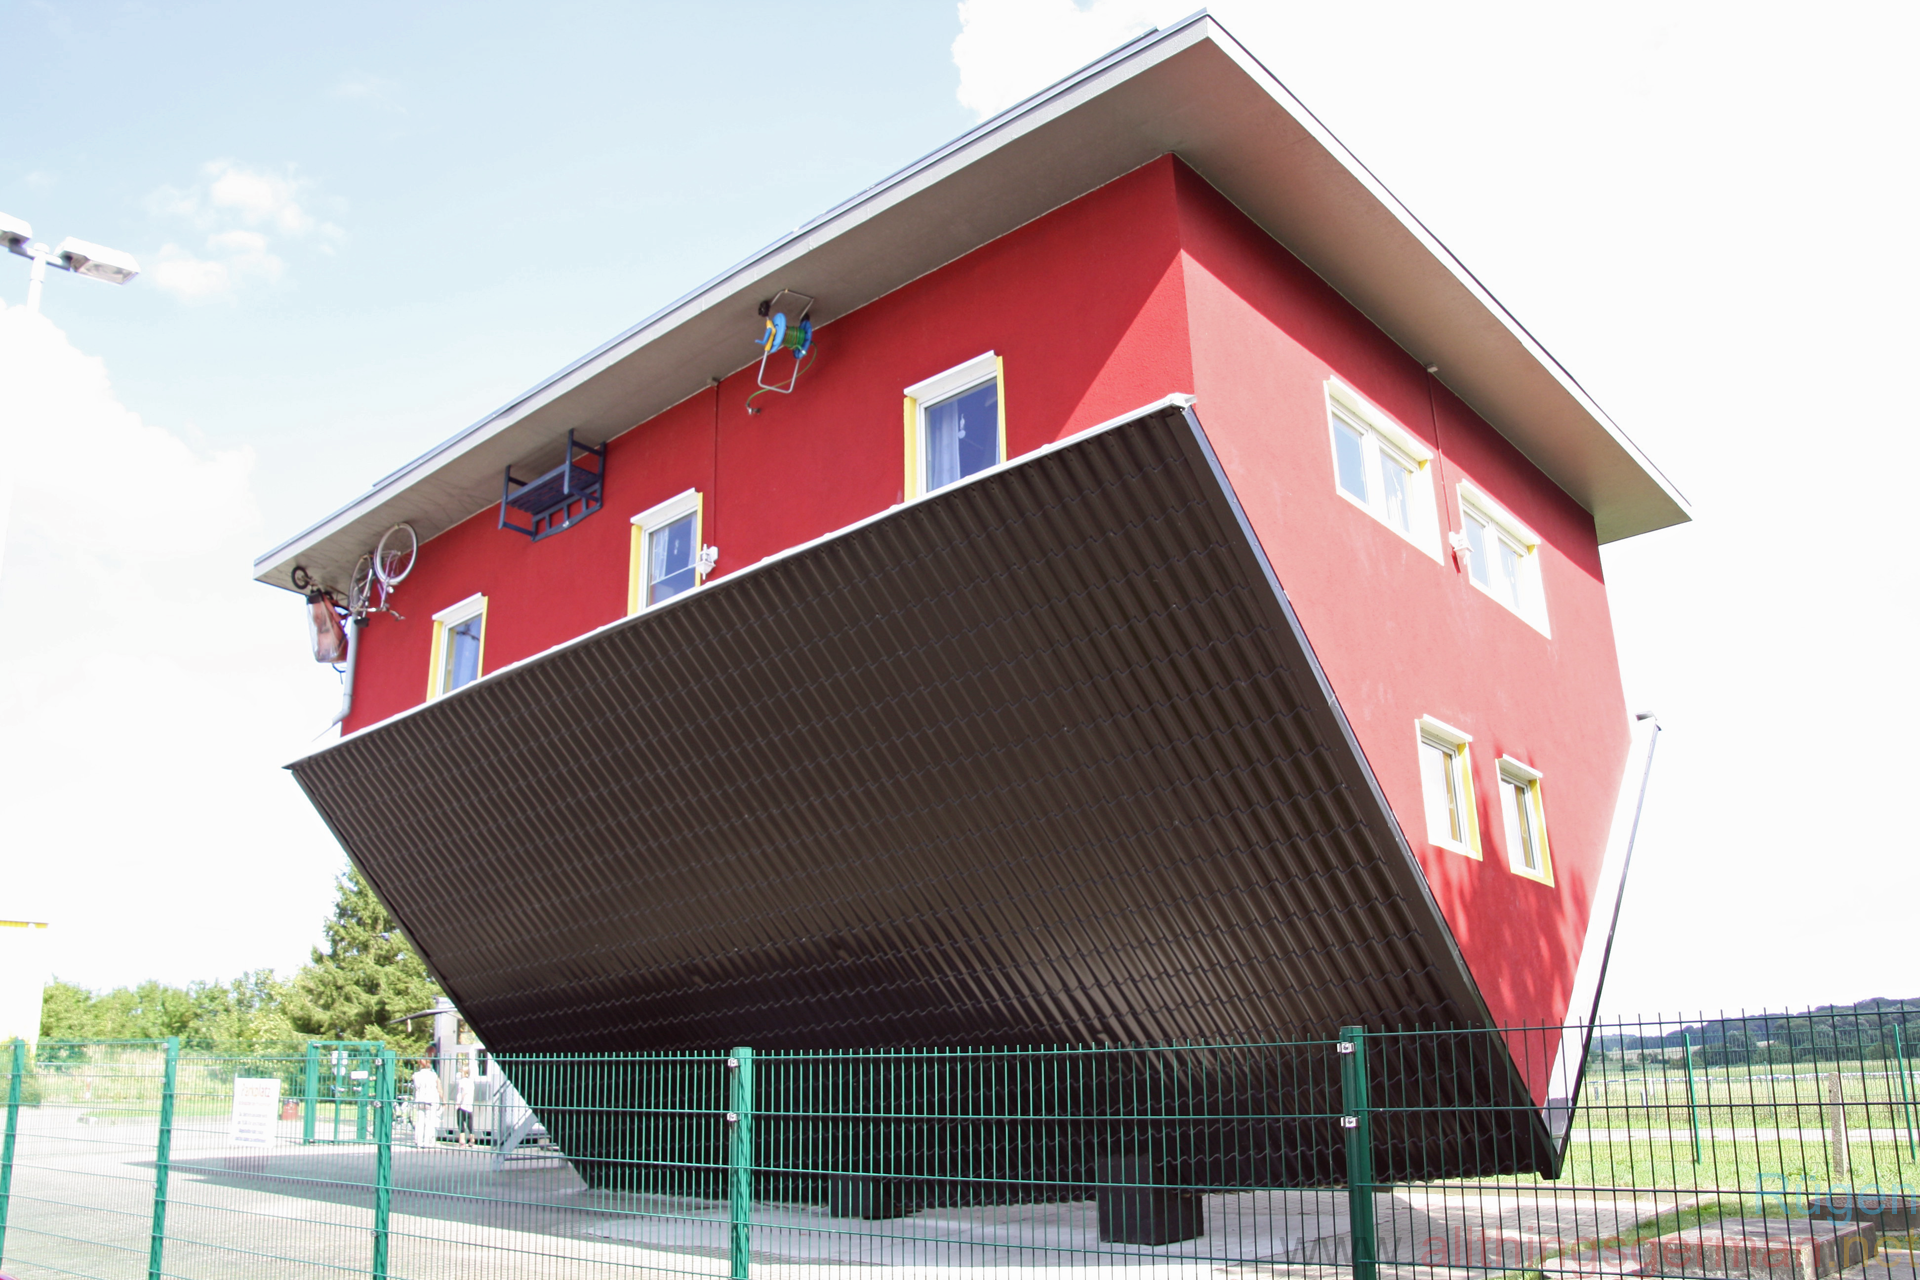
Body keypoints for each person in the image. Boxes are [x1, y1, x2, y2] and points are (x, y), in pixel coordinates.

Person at [410, 1058, 441, 1148]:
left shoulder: (416, 1075)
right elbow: (437, 1087)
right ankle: (427, 1142)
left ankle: (418, 1141)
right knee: (429, 1122)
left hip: (420, 1099)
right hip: (430, 1100)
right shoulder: (433, 1075)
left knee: (420, 1121)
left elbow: (416, 1087)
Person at [454, 1060, 476, 1148]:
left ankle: (462, 1141)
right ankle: (472, 1140)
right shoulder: (471, 1082)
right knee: (469, 1123)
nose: (461, 1073)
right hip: (469, 1105)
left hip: (462, 1105)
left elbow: (463, 1092)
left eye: (462, 1072)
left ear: (465, 1073)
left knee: (460, 1123)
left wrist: (459, 1102)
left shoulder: (462, 1081)